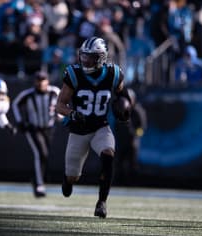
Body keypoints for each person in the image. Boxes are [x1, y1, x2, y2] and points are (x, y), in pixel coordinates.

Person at [56, 36, 129, 218]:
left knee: (108, 154)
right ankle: (68, 180)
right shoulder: (75, 74)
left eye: (91, 57)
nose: (86, 60)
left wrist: (125, 107)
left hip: (100, 127)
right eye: (84, 56)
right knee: (72, 177)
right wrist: (72, 113)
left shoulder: (113, 74)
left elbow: (124, 96)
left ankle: (101, 202)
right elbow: (60, 105)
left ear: (102, 58)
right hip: (79, 129)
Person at [12, 71, 61, 197]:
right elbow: (15, 104)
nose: (40, 83)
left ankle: (37, 180)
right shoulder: (28, 94)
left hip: (49, 128)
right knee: (41, 153)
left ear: (47, 81)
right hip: (34, 128)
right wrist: (20, 121)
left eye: (43, 80)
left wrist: (59, 115)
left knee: (44, 155)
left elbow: (61, 104)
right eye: (38, 80)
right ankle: (40, 184)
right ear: (34, 82)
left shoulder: (54, 92)